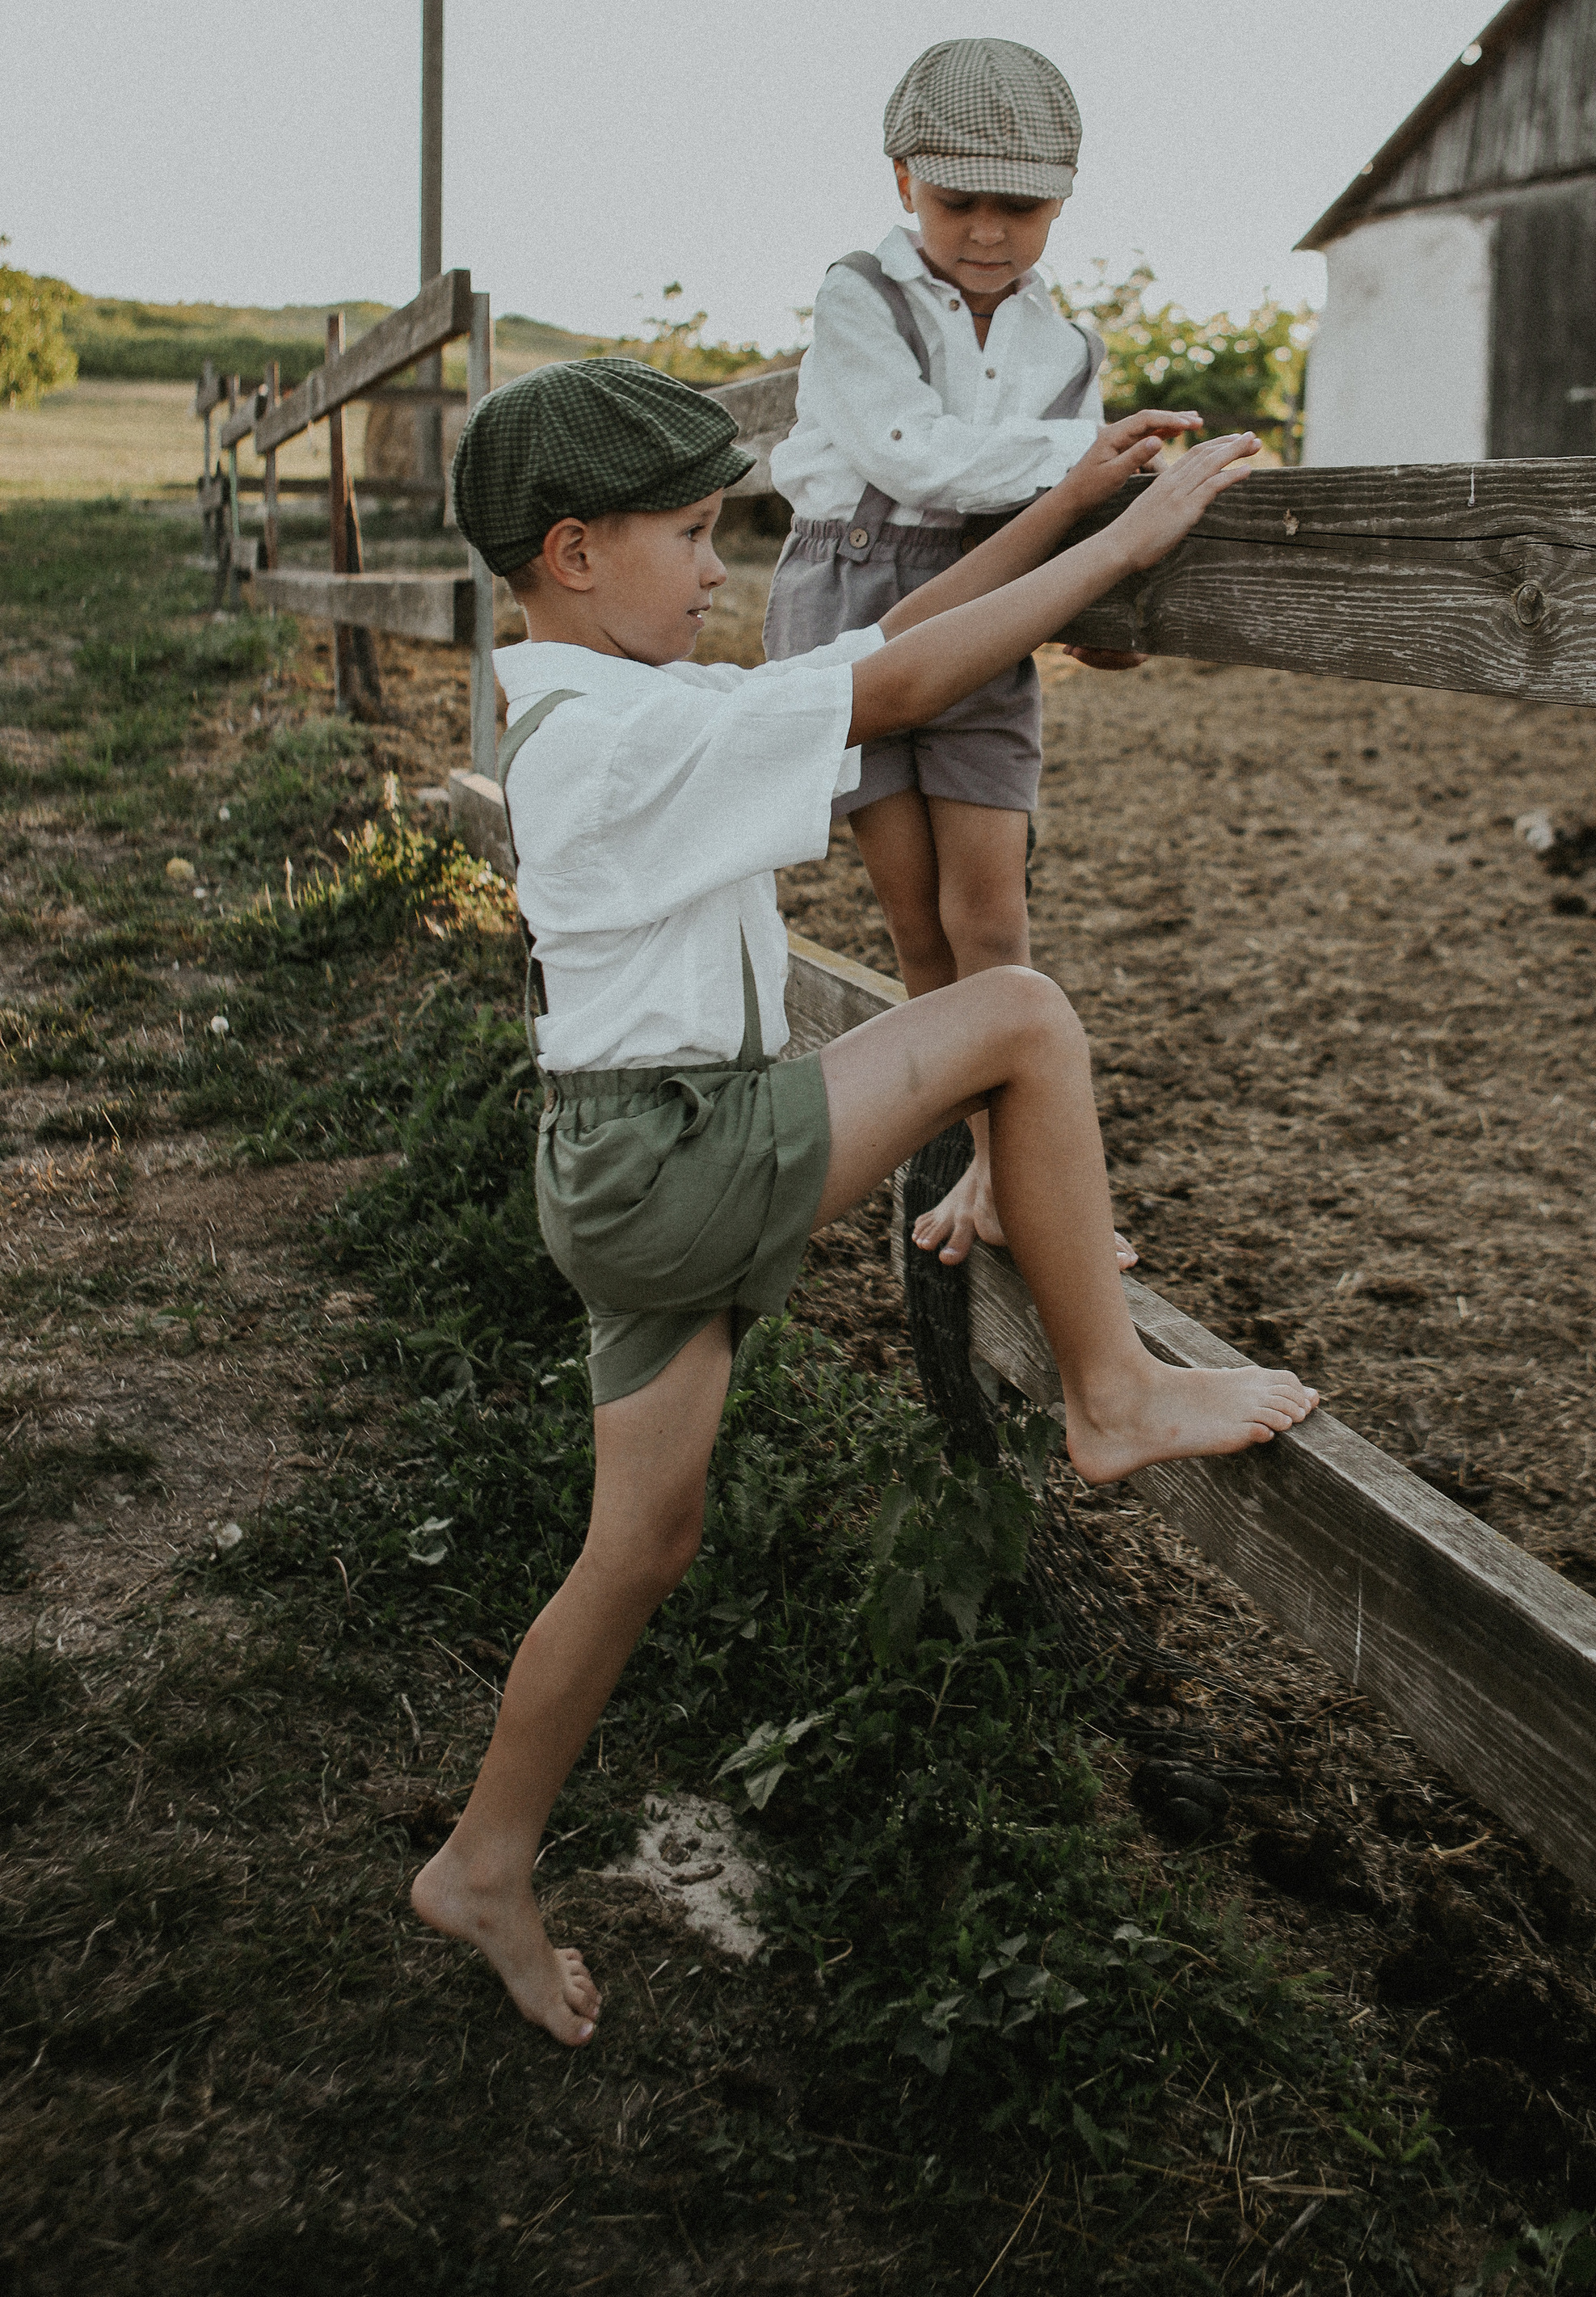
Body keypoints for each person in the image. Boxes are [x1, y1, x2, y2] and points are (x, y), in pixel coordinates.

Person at [415, 357, 1318, 2048]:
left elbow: (871, 648)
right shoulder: (624, 734)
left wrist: (1059, 503)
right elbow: (893, 684)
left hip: (611, 1170)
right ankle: (1112, 1393)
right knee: (1019, 1018)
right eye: (695, 534)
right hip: (677, 1154)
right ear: (575, 552)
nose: (721, 568)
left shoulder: (594, 707)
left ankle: (483, 1860)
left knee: (639, 1546)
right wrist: (1127, 549)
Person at [765, 36, 1176, 1271]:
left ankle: (1024, 1183)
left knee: (990, 912)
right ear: (905, 183)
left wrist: (1105, 536)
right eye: (958, 202)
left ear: (1063, 202)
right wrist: (1084, 469)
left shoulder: (1069, 349)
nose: (990, 233)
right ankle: (969, 1171)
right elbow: (913, 455)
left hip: (992, 602)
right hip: (855, 600)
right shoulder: (860, 297)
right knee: (917, 926)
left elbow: (1055, 511)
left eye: (1023, 207)